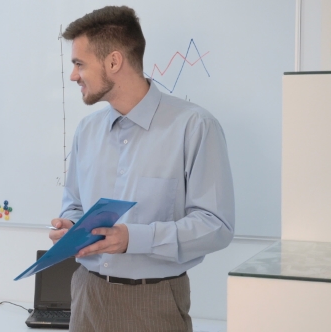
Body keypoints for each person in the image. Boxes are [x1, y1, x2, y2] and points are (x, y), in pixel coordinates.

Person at [48, 6, 235, 332]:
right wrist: (72, 228)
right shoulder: (87, 131)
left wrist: (133, 238)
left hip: (153, 302)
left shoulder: (194, 126)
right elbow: (74, 203)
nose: (73, 75)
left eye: (79, 64)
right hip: (86, 296)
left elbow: (216, 225)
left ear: (114, 62)